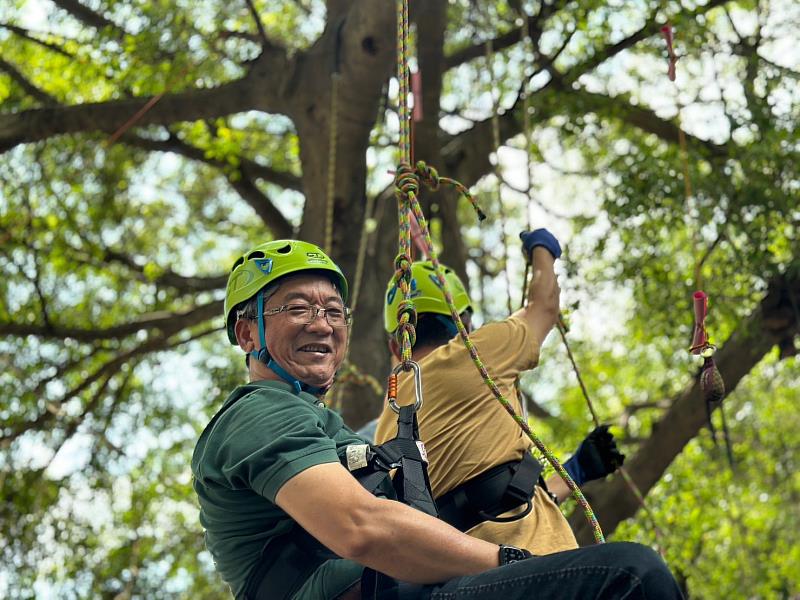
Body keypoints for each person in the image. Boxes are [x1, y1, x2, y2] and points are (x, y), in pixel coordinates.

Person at [192, 238, 684, 600]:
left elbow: (445, 509)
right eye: (298, 308)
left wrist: (569, 476)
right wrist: (513, 562)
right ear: (247, 332)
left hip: (403, 588)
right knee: (631, 575)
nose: (322, 323)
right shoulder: (259, 411)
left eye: (335, 312)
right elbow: (361, 526)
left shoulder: (370, 427)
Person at [374, 229, 625, 554]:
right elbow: (544, 306)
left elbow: (488, 505)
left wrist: (573, 472)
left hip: (464, 578)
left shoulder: (386, 429)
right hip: (533, 567)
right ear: (463, 323)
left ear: (396, 345)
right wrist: (542, 249)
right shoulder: (477, 354)